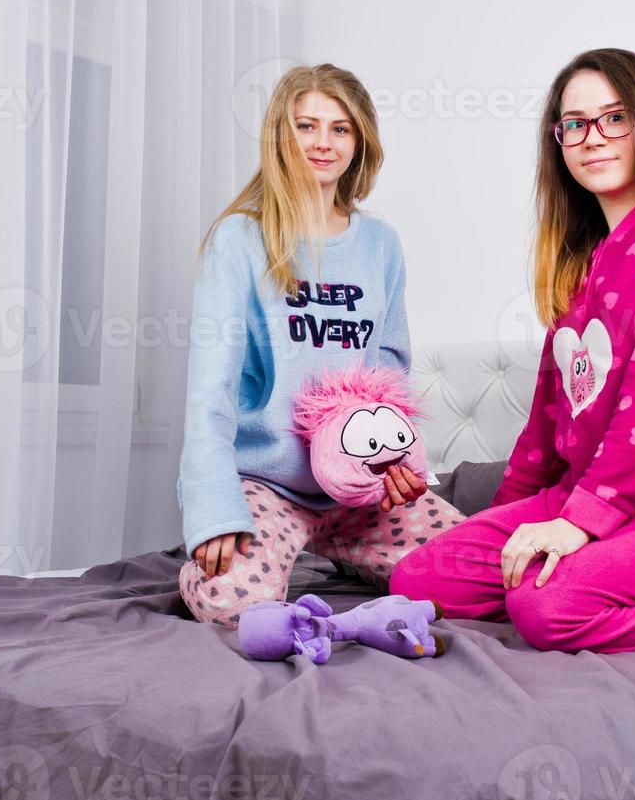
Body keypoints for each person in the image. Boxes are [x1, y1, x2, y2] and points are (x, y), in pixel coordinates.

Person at [390, 48, 635, 654]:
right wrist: (514, 520)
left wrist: (580, 523)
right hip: (594, 501)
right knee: (419, 579)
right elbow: (549, 424)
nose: (592, 138)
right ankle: (604, 560)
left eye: (614, 117)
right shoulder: (583, 267)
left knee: (545, 606)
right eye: (574, 124)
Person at [176, 63, 465, 629]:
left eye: (340, 129)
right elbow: (209, 390)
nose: (323, 143)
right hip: (269, 482)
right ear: (282, 136)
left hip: (363, 490)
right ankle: (228, 563)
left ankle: (357, 558)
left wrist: (396, 463)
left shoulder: (380, 243)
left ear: (360, 142)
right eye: (307, 126)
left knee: (473, 574)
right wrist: (212, 512)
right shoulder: (240, 239)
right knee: (233, 602)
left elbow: (389, 367)